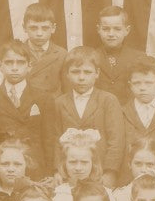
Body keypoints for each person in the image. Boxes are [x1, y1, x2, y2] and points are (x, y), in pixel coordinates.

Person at [0, 39, 55, 178]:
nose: (14, 67)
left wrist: (49, 173)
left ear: (29, 65)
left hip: (34, 167)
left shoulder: (44, 98)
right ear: (0, 65)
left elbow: (49, 140)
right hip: (1, 168)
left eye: (20, 62)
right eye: (9, 62)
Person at [52, 46, 125, 187]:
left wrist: (110, 172)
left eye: (87, 72)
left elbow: (116, 140)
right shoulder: (59, 102)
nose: (81, 77)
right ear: (67, 73)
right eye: (75, 72)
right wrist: (57, 170)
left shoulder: (108, 100)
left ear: (97, 73)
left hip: (100, 172)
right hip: (70, 172)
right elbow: (56, 139)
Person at [120, 54, 155, 182]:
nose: (142, 88)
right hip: (128, 179)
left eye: (148, 82)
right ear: (130, 85)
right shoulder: (121, 113)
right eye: (137, 83)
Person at [52, 129, 114, 201]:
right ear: (64, 163)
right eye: (72, 162)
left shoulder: (104, 193)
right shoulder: (57, 195)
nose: (78, 168)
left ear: (93, 163)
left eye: (84, 162)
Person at [93, 4, 143, 104]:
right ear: (98, 29)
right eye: (106, 29)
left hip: (128, 115)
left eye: (117, 29)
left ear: (127, 30)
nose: (111, 34)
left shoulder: (139, 57)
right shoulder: (91, 56)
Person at [21, 1, 67, 96]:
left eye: (45, 28)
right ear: (24, 27)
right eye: (33, 28)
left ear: (53, 28)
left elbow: (67, 91)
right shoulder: (17, 52)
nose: (39, 34)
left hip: (53, 107)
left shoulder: (62, 54)